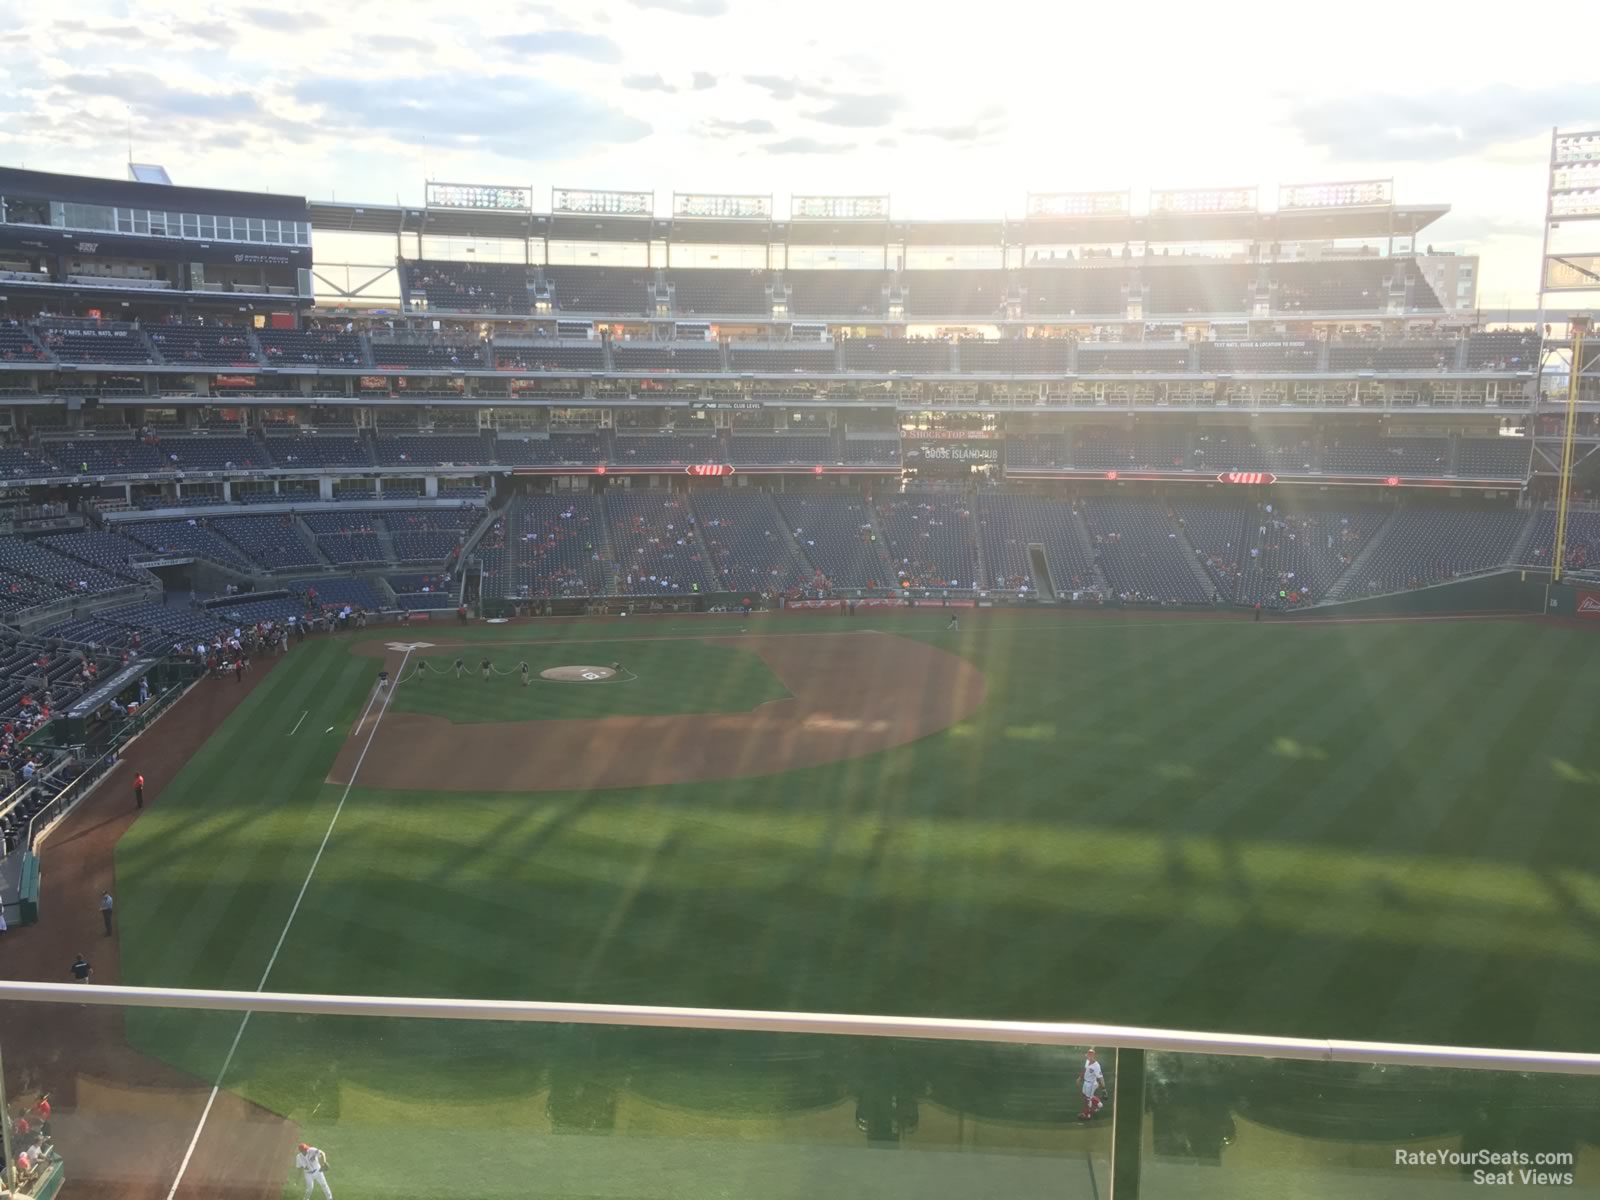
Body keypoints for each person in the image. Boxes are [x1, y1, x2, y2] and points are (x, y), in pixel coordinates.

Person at [1077, 1049, 1105, 1120]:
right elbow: (1085, 1069)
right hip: (1086, 1082)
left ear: (1093, 1056)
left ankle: (1087, 1114)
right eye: (1088, 1055)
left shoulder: (1097, 1066)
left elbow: (1100, 1077)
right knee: (1085, 1095)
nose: (1088, 1057)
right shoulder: (1087, 1061)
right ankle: (1099, 1104)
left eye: (1090, 1055)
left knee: (1088, 1099)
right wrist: (1080, 1077)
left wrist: (1104, 1089)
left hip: (1091, 1084)